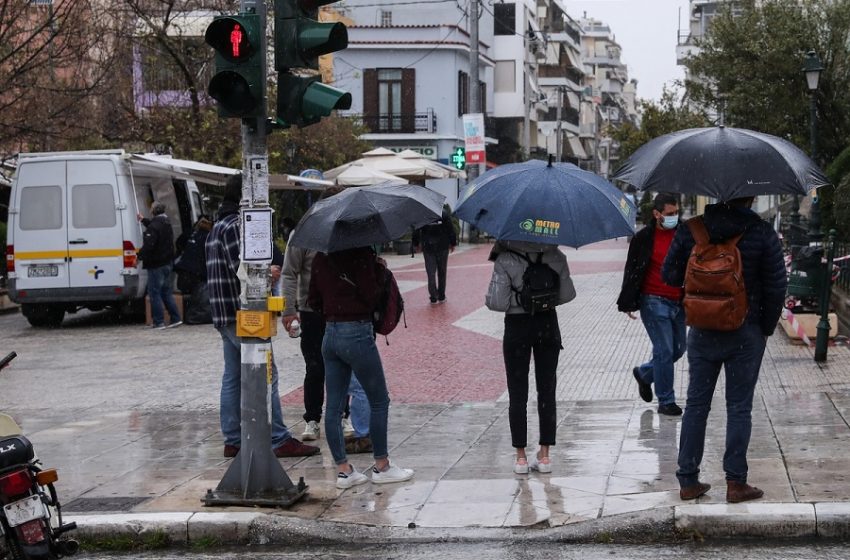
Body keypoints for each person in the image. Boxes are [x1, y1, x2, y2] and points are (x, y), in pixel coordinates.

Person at [662, 196, 786, 503]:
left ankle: (688, 480)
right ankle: (735, 482)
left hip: (703, 330)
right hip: (746, 330)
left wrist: (699, 296)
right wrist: (765, 327)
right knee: (739, 407)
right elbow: (776, 285)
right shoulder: (761, 232)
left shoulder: (692, 229)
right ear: (751, 197)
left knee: (696, 405)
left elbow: (669, 275)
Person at [205, 174, 319, 459]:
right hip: (243, 315)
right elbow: (241, 270)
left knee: (232, 376)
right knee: (269, 374)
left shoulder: (215, 227)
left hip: (223, 314)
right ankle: (279, 438)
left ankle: (233, 438)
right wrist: (270, 273)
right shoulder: (233, 227)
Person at [308, 246, 414, 488]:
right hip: (356, 334)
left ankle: (344, 471)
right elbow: (371, 295)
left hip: (330, 335)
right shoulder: (362, 255)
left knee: (333, 407)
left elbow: (313, 300)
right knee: (379, 400)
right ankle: (382, 465)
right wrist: (379, 270)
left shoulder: (321, 257)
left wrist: (334, 306)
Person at [281, 215, 372, 452]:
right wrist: (288, 309)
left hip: (340, 311)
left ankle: (343, 416)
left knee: (343, 367)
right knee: (314, 367)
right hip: (311, 311)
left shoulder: (346, 232)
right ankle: (312, 418)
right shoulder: (303, 234)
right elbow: (289, 272)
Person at [485, 240, 576, 475]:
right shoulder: (556, 255)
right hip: (547, 324)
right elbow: (567, 295)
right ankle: (545, 456)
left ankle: (521, 457)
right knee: (547, 390)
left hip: (517, 327)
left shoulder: (505, 259)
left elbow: (497, 302)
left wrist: (520, 298)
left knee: (517, 393)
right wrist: (542, 297)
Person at [616, 192, 686, 416]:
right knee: (664, 350)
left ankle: (645, 374)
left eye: (676, 213)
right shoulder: (644, 238)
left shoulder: (685, 235)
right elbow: (632, 270)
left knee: (678, 349)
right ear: (656, 214)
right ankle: (666, 401)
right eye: (669, 213)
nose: (674, 217)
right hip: (653, 299)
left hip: (680, 301)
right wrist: (627, 301)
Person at [137, 201, 182, 329]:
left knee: (154, 293)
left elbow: (149, 245)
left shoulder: (154, 226)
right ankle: (175, 318)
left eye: (151, 208)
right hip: (168, 263)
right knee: (166, 292)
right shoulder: (166, 223)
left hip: (156, 265)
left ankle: (158, 321)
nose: (150, 210)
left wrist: (139, 257)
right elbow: (155, 227)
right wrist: (143, 220)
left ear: (154, 210)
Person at [412, 205, 457, 304]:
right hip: (442, 246)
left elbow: (416, 229)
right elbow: (450, 229)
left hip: (428, 247)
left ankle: (433, 296)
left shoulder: (423, 214)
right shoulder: (444, 213)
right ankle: (441, 296)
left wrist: (416, 243)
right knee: (442, 272)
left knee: (430, 273)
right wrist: (453, 243)